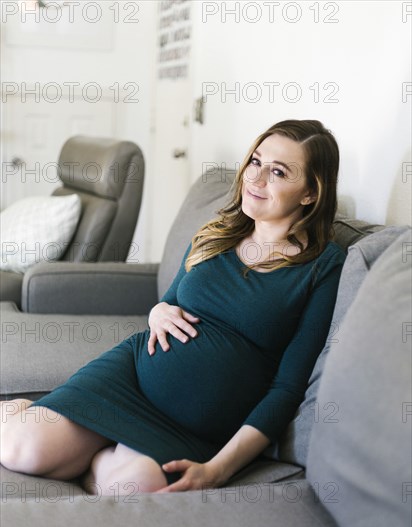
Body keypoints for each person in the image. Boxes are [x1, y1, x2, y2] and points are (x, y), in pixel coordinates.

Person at [0, 119, 346, 495]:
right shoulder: (218, 232)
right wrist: (157, 311)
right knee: (21, 450)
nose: (256, 178)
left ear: (311, 192)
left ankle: (98, 455)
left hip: (194, 427)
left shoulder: (322, 267)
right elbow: (170, 301)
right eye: (256, 161)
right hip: (131, 378)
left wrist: (219, 469)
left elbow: (287, 387)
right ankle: (34, 419)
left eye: (278, 172)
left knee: (134, 489)